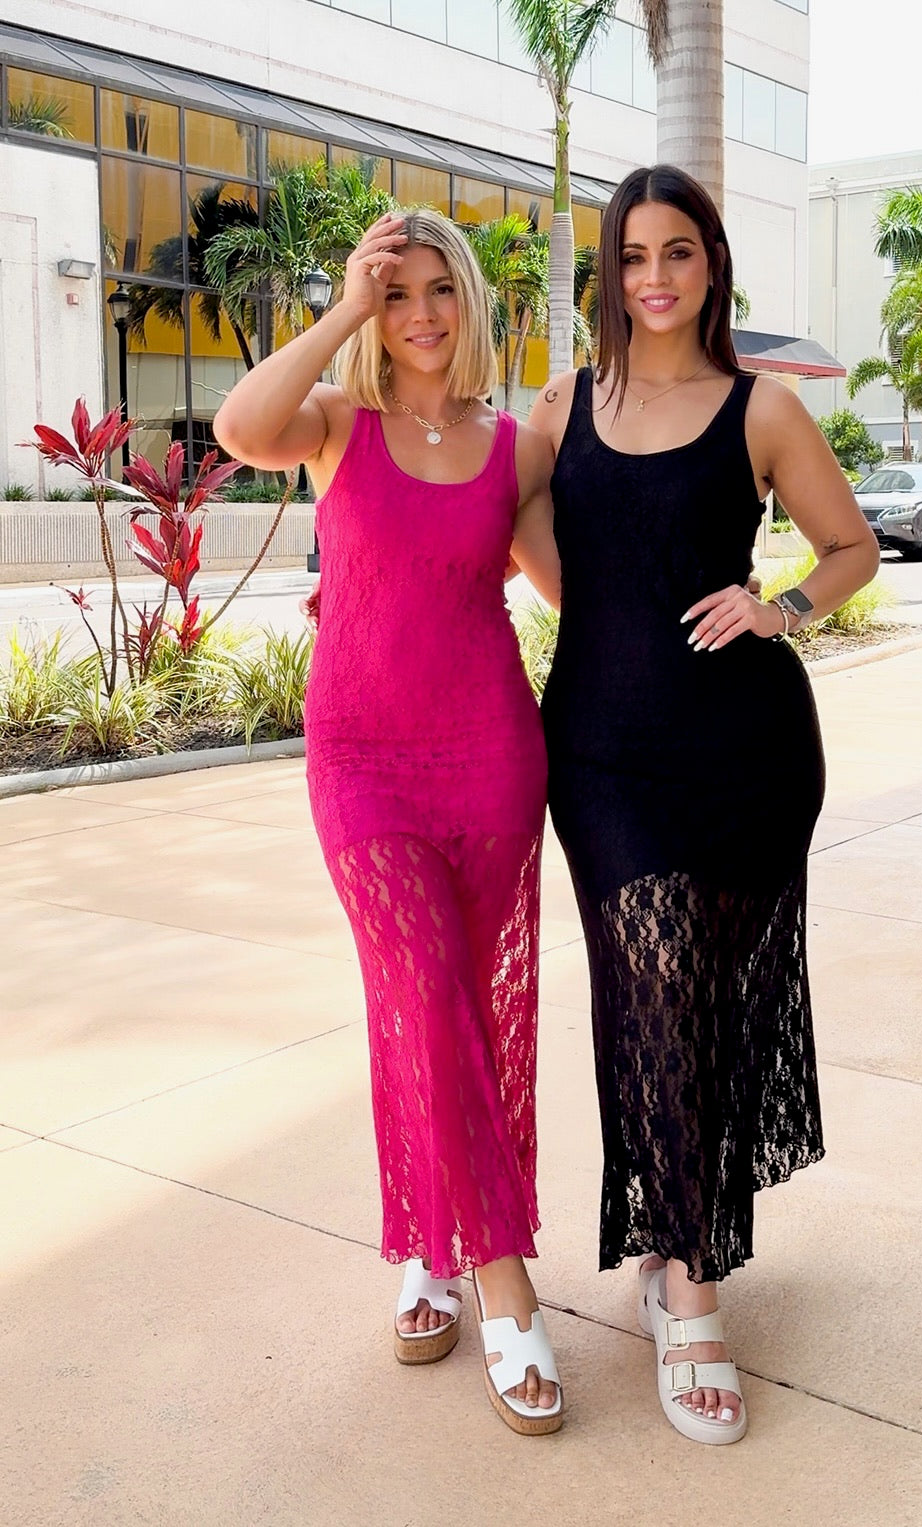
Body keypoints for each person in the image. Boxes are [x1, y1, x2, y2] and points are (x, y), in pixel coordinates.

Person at [529, 165, 880, 1446]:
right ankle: (688, 1280)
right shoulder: (562, 405)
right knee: (653, 995)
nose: (655, 276)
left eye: (677, 251)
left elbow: (851, 548)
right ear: (610, 274)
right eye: (633, 256)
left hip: (748, 754)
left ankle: (680, 1254)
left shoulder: (762, 408)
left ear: (711, 265)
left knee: (710, 1017)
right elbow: (508, 528)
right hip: (602, 758)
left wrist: (776, 608)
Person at [213, 209, 565, 1437]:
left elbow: (567, 586)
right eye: (396, 292)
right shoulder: (334, 426)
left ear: (471, 303)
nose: (420, 313)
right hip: (362, 761)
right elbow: (238, 427)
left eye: (437, 290)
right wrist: (344, 310)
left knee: (456, 1011)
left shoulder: (513, 451)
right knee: (423, 989)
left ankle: (426, 1241)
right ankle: (504, 1284)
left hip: (491, 756)